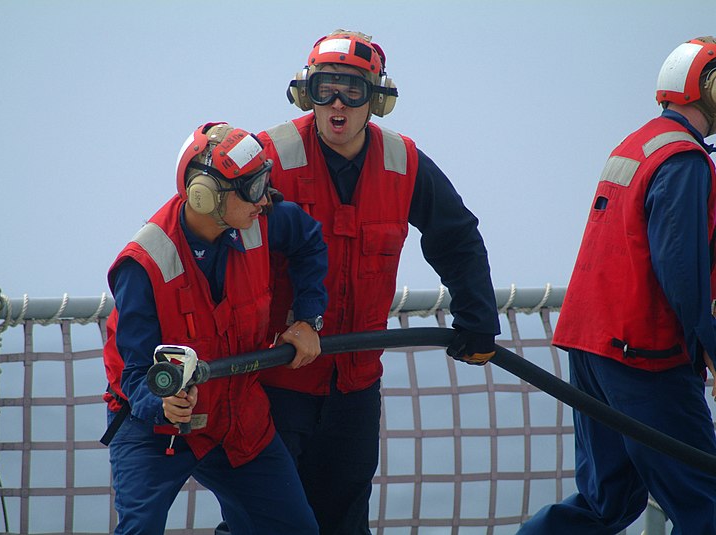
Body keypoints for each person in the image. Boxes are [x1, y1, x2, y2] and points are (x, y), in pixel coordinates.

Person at [251, 29, 501, 534]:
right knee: (262, 519)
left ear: (377, 99)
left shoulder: (404, 163)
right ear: (306, 94)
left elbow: (457, 238)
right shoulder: (266, 159)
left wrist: (477, 321)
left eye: (353, 89)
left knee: (343, 521)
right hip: (277, 379)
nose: (337, 103)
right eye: (325, 88)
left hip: (355, 387)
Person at [517, 37, 716, 534]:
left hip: (589, 347)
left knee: (610, 501)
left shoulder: (640, 142)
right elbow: (682, 270)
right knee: (706, 501)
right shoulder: (685, 160)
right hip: (642, 355)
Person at [101, 122, 329, 535]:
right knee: (140, 528)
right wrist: (164, 404)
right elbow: (136, 377)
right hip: (154, 429)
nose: (265, 201)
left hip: (238, 416)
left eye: (265, 184)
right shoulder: (143, 266)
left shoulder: (259, 219)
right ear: (206, 195)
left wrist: (307, 319)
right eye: (254, 188)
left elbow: (309, 240)